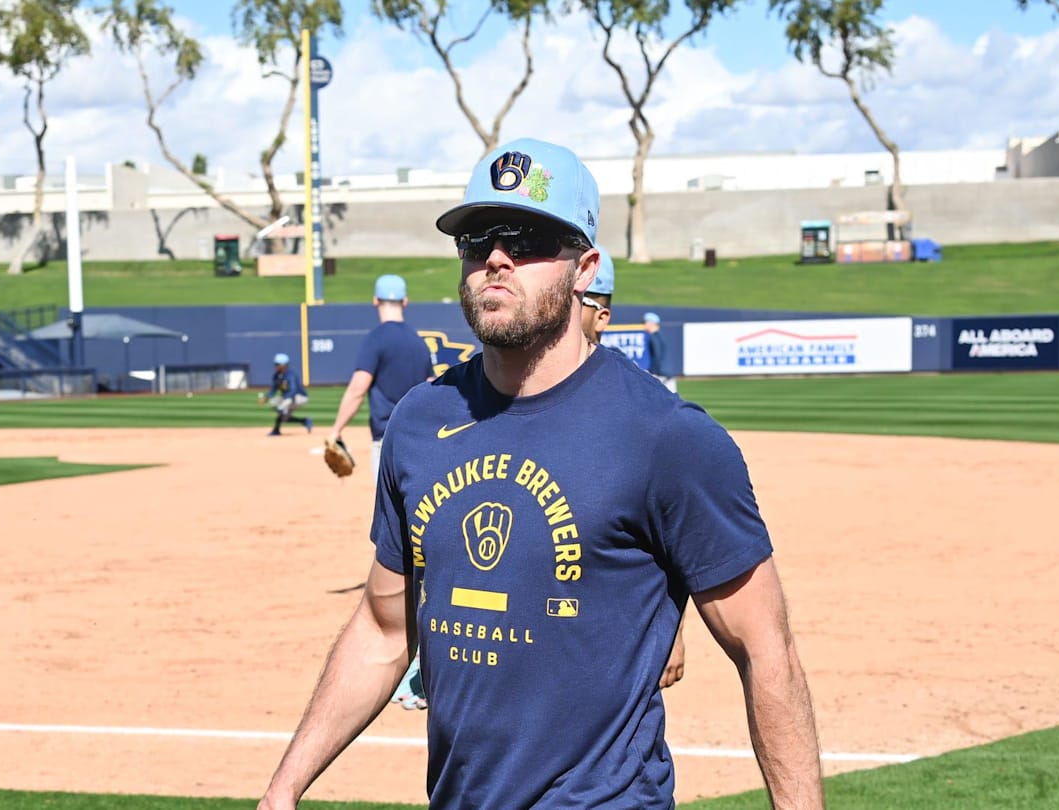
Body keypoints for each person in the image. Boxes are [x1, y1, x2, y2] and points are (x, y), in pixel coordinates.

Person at [258, 137, 823, 810]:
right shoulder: (420, 422)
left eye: (525, 239)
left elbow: (768, 651)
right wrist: (284, 787)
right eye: (476, 241)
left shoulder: (667, 438)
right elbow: (384, 631)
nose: (495, 257)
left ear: (584, 268)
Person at [578, 246, 688, 691]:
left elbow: (679, 536)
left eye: (578, 302)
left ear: (601, 316)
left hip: (615, 642)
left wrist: (674, 628)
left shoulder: (647, 412)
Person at [324, 272, 436, 710]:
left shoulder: (376, 339)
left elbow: (358, 386)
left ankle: (409, 650)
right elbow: (430, 389)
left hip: (386, 441)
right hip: (423, 440)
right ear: (404, 302)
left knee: (398, 540)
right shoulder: (416, 342)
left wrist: (334, 431)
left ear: (376, 301)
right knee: (420, 528)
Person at [261, 352, 311, 436]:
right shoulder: (276, 376)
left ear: (283, 365)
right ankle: (304, 421)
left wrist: (283, 403)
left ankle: (278, 424)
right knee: (278, 408)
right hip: (288, 398)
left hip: (300, 398)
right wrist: (266, 397)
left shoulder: (290, 375)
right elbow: (273, 390)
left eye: (277, 364)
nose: (275, 366)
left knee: (285, 402)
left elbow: (293, 390)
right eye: (275, 364)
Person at [643, 311, 676, 393]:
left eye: (645, 322)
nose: (644, 325)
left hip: (661, 374)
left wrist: (653, 372)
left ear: (651, 323)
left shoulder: (654, 337)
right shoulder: (661, 335)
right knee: (672, 401)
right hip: (667, 373)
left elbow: (657, 356)